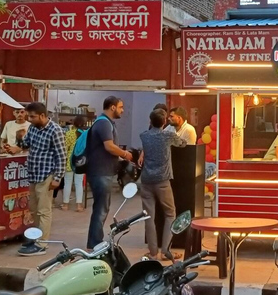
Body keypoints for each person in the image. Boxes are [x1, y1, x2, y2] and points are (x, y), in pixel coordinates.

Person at [6, 102, 65, 256]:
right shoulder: (33, 128)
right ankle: (36, 238)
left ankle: (42, 244)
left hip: (47, 174)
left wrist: (57, 178)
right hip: (33, 174)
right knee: (34, 209)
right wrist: (15, 147)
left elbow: (61, 156)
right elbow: (26, 144)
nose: (29, 119)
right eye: (29, 116)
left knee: (44, 210)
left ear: (42, 115)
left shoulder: (55, 130)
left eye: (32, 117)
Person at [86, 97, 132, 251]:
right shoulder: (104, 123)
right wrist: (125, 154)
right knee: (101, 209)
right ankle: (95, 243)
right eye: (120, 107)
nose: (122, 110)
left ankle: (94, 240)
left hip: (101, 171)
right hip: (100, 172)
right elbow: (109, 146)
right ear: (112, 107)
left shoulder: (105, 122)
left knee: (101, 207)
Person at [140, 109, 186, 260]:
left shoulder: (144, 136)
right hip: (163, 181)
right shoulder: (167, 136)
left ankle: (153, 253)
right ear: (164, 122)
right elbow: (182, 143)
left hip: (146, 180)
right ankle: (166, 251)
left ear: (150, 121)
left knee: (148, 217)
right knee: (170, 214)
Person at [61, 115, 87, 212]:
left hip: (70, 161)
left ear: (74, 123)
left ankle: (65, 204)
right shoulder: (85, 135)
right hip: (81, 162)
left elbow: (65, 148)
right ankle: (79, 205)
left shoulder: (69, 133)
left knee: (67, 183)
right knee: (79, 183)